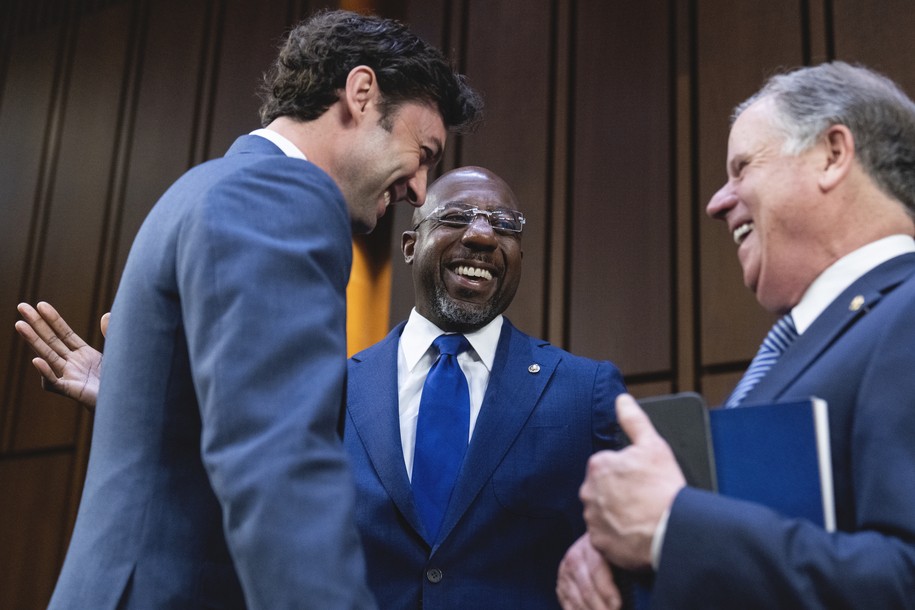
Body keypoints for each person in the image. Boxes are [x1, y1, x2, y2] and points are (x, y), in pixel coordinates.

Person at [22, 10, 482, 609]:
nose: (420, 189)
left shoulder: (207, 186)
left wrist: (156, 404)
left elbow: (237, 416)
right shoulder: (284, 197)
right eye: (423, 153)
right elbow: (282, 467)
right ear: (361, 92)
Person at [18, 167, 628, 609]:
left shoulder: (586, 393)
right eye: (457, 217)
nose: (482, 235)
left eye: (504, 224)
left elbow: (639, 542)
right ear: (411, 245)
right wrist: (146, 406)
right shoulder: (326, 388)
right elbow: (254, 492)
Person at [558, 61, 915, 609]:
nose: (716, 203)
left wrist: (669, 528)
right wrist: (621, 556)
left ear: (832, 155)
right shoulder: (807, 342)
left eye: (742, 167)